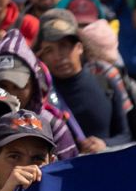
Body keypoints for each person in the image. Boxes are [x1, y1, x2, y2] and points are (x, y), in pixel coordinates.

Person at [0, 31, 100, 157]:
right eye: (2, 86)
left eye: (19, 86)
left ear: (34, 84)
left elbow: (69, 169)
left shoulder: (52, 127)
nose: (11, 95)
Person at [37, 13, 129, 147]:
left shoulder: (105, 84)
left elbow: (125, 135)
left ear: (79, 48)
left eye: (64, 46)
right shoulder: (41, 96)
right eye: (49, 50)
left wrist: (104, 144)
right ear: (42, 57)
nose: (58, 56)